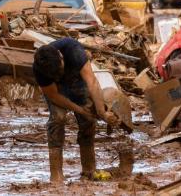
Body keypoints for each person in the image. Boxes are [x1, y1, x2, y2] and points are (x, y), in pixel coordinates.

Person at [33, 38, 119, 183]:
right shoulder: (40, 68)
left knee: (88, 120)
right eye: (56, 74)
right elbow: (53, 95)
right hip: (57, 91)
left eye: (60, 69)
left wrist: (101, 112)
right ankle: (56, 174)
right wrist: (79, 109)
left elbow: (91, 82)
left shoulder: (74, 50)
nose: (59, 74)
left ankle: (89, 170)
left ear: (61, 56)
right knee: (57, 119)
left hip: (78, 83)